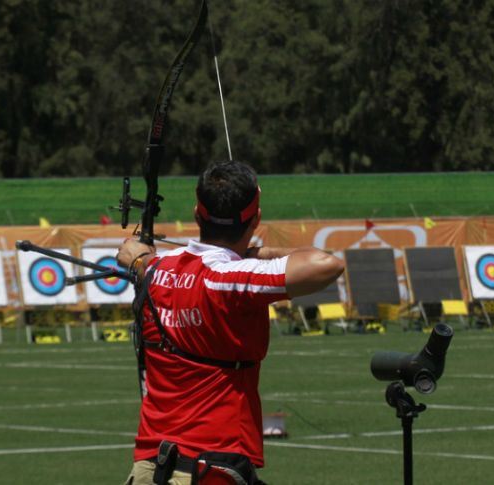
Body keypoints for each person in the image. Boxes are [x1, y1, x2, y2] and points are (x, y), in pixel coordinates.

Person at [117, 160, 345, 485]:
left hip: (151, 466)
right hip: (211, 466)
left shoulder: (155, 267)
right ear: (256, 219)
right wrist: (258, 253)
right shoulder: (230, 278)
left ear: (198, 214)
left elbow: (140, 260)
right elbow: (327, 263)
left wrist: (139, 257)